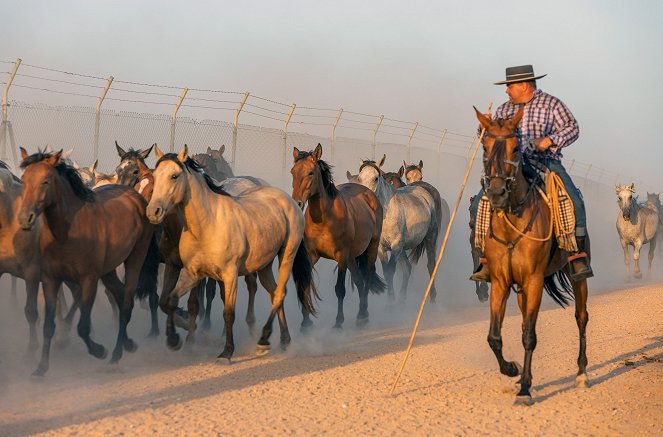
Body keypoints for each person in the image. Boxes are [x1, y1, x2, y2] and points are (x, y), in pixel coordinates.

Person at [470, 65, 593, 282]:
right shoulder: (504, 110)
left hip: (546, 162)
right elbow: (490, 138)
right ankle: (486, 258)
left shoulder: (551, 104)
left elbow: (572, 127)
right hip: (510, 167)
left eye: (509, 86)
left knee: (573, 200)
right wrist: (485, 127)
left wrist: (549, 140)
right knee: (480, 202)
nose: (506, 91)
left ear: (524, 85)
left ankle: (576, 255)